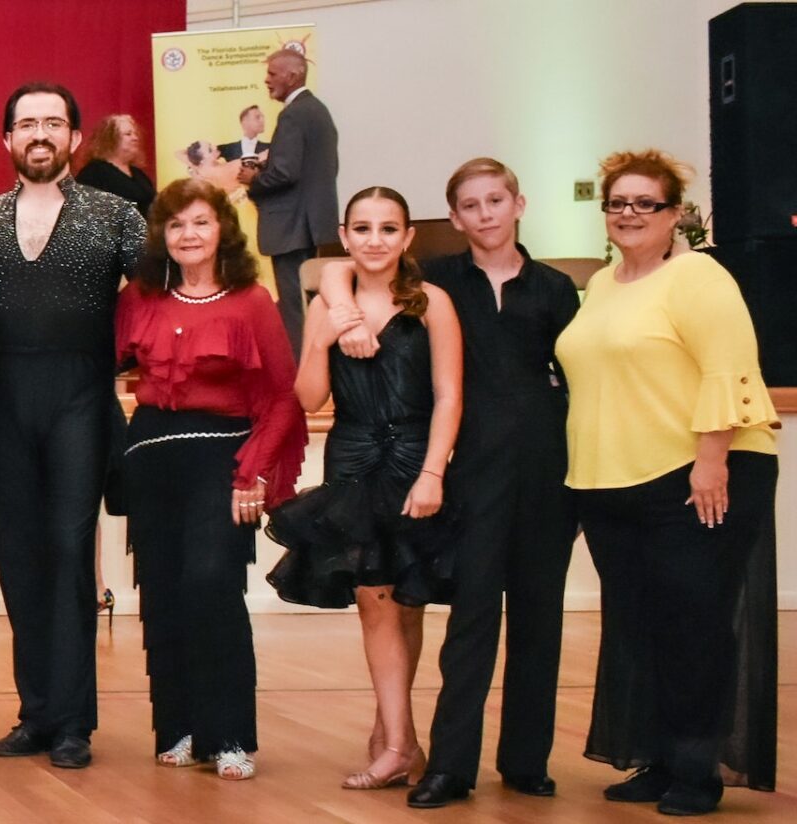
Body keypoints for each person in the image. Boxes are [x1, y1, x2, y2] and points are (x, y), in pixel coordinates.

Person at [318, 160, 577, 808]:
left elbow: (578, 374)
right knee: (470, 618)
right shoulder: (436, 284)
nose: (486, 213)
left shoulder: (555, 288)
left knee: (541, 617)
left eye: (496, 200)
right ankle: (450, 767)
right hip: (468, 467)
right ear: (453, 219)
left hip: (549, 464)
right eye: (471, 204)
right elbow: (339, 271)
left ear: (519, 204)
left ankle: (526, 761)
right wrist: (342, 305)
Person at [559, 149, 778, 817]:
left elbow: (729, 367)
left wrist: (712, 460)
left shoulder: (698, 277)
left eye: (643, 203)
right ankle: (655, 758)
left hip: (694, 477)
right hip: (609, 482)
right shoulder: (601, 285)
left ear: (673, 214)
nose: (628, 214)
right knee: (640, 626)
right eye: (617, 203)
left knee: (693, 625)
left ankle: (696, 770)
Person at [0, 82, 145, 770]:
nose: (39, 133)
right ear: (6, 139)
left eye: (52, 123)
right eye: (26, 123)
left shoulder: (117, 215)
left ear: (72, 137)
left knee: (69, 556)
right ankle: (35, 713)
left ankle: (73, 722)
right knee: (18, 555)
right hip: (2, 399)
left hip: (80, 398)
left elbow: (158, 295)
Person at [263, 186, 463, 791]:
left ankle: (391, 731)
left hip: (413, 461)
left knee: (408, 600)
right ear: (345, 238)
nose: (375, 240)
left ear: (407, 238)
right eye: (363, 229)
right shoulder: (329, 306)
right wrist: (322, 339)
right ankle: (401, 743)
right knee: (374, 602)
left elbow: (450, 395)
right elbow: (309, 398)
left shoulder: (432, 302)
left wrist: (433, 471)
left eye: (387, 228)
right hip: (353, 463)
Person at [112, 178, 304, 782]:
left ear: (222, 228)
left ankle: (228, 735)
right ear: (162, 236)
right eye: (176, 225)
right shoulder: (140, 297)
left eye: (199, 222)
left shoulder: (252, 301)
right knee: (163, 592)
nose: (188, 235)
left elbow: (280, 397)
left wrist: (252, 473)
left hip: (220, 461)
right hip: (150, 458)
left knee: (211, 586)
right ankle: (178, 727)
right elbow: (96, 364)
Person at [246, 47, 341, 357]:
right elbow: (318, 168)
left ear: (293, 75)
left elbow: (285, 173)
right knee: (308, 302)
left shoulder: (293, 114)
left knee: (294, 306)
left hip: (290, 227)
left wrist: (253, 180)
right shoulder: (318, 110)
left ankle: (302, 373)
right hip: (310, 224)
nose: (266, 80)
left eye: (273, 74)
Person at [76, 114, 156, 216]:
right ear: (111, 139)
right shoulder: (93, 173)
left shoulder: (138, 173)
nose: (135, 138)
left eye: (135, 134)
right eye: (128, 134)